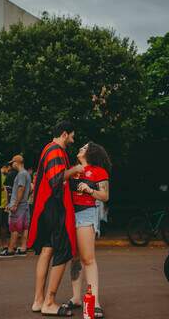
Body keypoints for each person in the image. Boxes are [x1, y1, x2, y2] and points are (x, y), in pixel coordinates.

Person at [28, 121, 84, 317]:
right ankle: (49, 302)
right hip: (54, 208)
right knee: (63, 251)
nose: (73, 139)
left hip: (45, 209)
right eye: (72, 135)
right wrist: (76, 169)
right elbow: (57, 179)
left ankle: (38, 300)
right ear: (64, 134)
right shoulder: (55, 150)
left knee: (46, 251)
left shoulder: (47, 149)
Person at [66, 141, 111, 318]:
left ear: (90, 152)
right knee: (74, 257)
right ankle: (76, 297)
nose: (80, 149)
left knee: (88, 259)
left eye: (84, 148)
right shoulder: (72, 169)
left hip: (86, 213)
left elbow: (105, 196)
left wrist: (88, 190)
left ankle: (95, 301)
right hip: (70, 214)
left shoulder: (99, 171)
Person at [0, 155, 31, 257]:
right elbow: (28, 189)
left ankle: (11, 249)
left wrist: (15, 204)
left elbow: (21, 188)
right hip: (24, 204)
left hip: (19, 204)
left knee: (14, 227)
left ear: (17, 162)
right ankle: (23, 248)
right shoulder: (27, 174)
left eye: (12, 163)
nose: (11, 165)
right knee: (25, 227)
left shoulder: (21, 174)